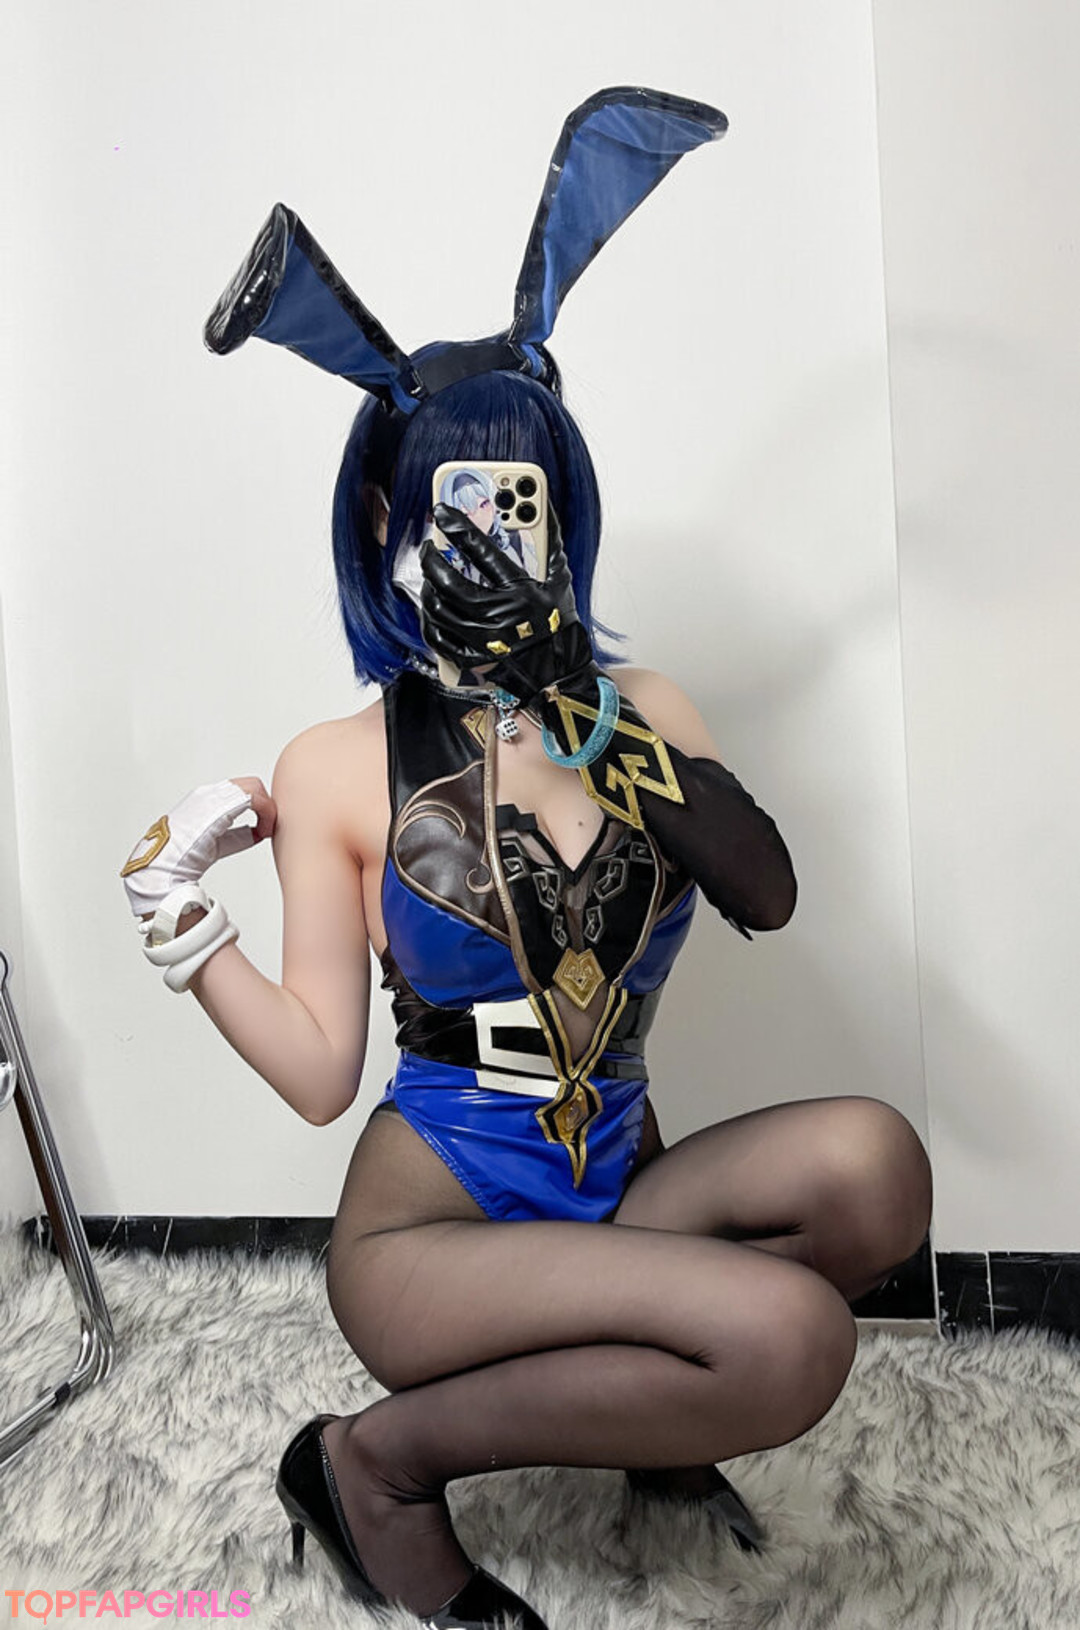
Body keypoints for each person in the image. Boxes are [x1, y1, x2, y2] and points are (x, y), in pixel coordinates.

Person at [121, 89, 934, 1630]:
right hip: (435, 1233)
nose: (498, 535)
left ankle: (648, 1407)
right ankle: (371, 1464)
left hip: (618, 1185)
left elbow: (765, 891)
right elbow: (320, 1071)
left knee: (878, 1166)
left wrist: (575, 697)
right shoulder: (341, 761)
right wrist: (184, 926)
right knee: (790, 1340)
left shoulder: (646, 712)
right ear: (392, 518)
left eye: (525, 497)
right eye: (462, 503)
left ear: (566, 506)